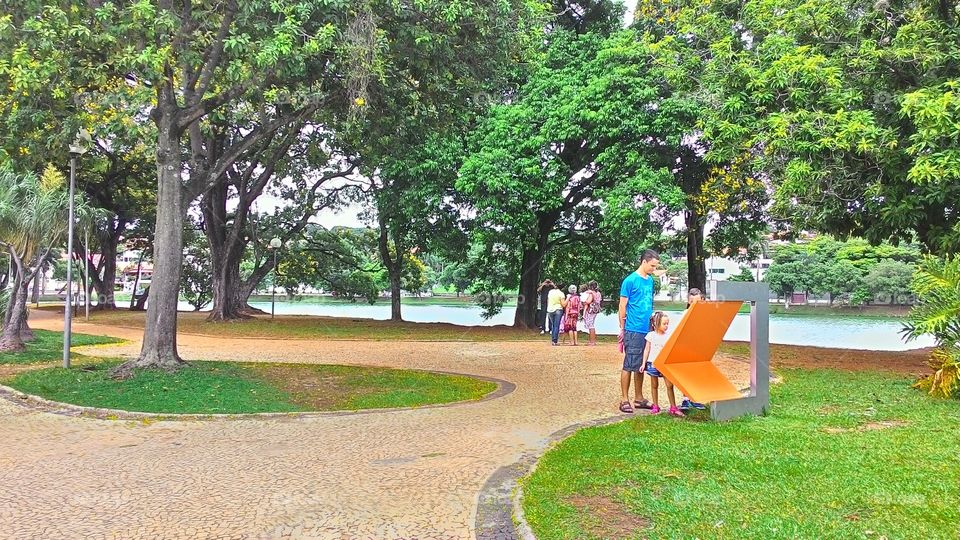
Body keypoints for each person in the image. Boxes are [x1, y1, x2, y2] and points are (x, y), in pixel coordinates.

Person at [618, 249, 661, 413]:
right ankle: (624, 399)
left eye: (655, 266)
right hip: (633, 329)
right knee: (629, 363)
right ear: (644, 262)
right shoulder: (630, 281)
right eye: (652, 265)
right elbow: (622, 305)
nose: (653, 269)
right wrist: (622, 328)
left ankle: (639, 397)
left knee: (641, 363)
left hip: (647, 329)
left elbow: (648, 302)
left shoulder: (649, 280)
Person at [642, 311, 684, 417]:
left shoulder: (668, 336)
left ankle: (673, 407)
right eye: (664, 324)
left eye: (667, 324)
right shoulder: (650, 335)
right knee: (654, 385)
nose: (666, 326)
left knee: (669, 385)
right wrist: (643, 363)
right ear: (656, 323)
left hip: (664, 364)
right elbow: (646, 350)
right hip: (652, 363)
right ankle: (655, 405)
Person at [677, 287, 707, 411]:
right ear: (689, 302)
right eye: (692, 301)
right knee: (686, 374)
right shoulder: (685, 314)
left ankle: (695, 398)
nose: (695, 304)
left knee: (697, 373)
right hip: (686, 347)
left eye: (698, 301)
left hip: (699, 347)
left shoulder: (705, 314)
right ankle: (686, 399)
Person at [582, 280, 602, 346]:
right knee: (592, 324)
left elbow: (588, 301)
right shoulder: (598, 293)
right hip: (596, 309)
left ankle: (592, 342)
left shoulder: (591, 293)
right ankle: (592, 341)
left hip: (591, 310)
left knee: (590, 325)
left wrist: (584, 302)